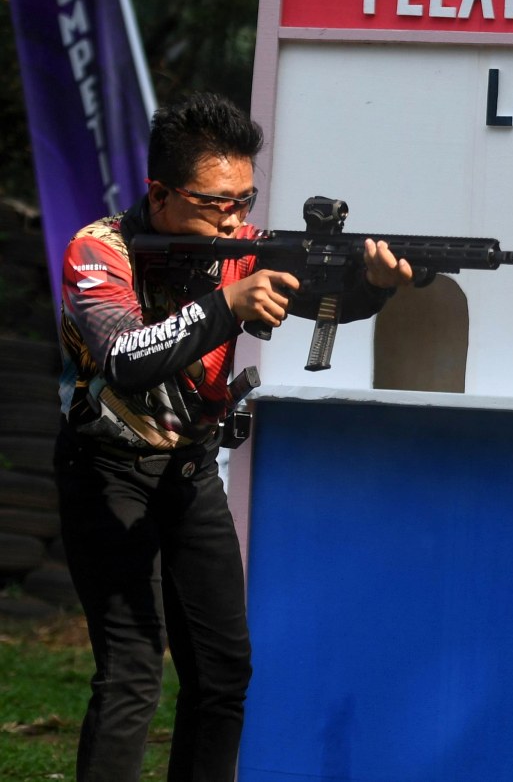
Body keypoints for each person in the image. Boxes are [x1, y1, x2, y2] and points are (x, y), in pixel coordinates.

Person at [54, 90, 413, 782]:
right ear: (160, 193)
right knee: (131, 669)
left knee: (223, 672)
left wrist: (372, 285)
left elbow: (314, 294)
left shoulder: (240, 246)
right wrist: (226, 305)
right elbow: (127, 358)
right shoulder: (97, 251)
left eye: (246, 200)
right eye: (218, 202)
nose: (237, 218)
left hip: (188, 472)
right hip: (104, 468)